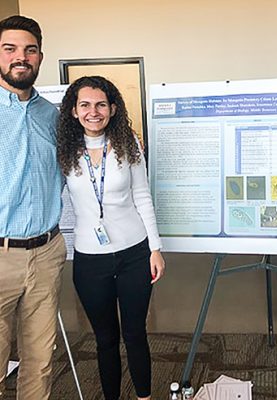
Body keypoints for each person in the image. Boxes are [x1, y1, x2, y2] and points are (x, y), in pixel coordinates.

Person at [57, 75, 165, 400]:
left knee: (135, 334)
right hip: (90, 260)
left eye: (101, 104)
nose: (93, 112)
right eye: (85, 105)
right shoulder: (64, 150)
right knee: (105, 340)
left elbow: (142, 195)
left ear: (113, 108)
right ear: (74, 110)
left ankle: (144, 397)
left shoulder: (127, 144)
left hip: (135, 254)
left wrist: (155, 248)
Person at [0, 15, 66, 400]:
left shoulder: (52, 116)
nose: (20, 57)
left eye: (30, 50)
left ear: (40, 56)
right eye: (10, 48)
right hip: (0, 254)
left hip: (46, 254)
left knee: (40, 361)